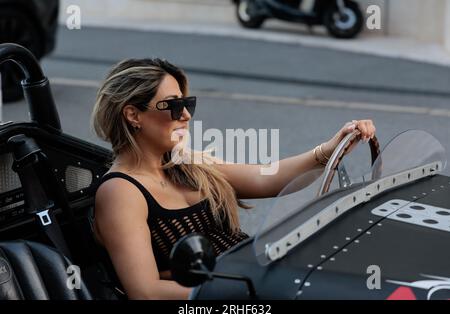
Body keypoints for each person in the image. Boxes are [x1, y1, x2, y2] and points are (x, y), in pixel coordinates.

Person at [91, 58, 376, 300]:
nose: (187, 115)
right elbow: (146, 291)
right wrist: (243, 290)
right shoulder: (121, 191)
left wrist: (329, 150)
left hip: (254, 279)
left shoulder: (186, 162)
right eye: (174, 106)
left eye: (187, 103)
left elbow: (266, 179)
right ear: (133, 115)